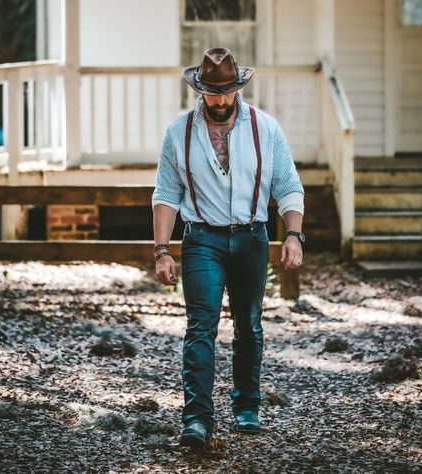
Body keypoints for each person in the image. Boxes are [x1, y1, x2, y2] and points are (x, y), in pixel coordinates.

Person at [152, 47, 305, 449]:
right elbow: (166, 194)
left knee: (249, 326)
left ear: (238, 87)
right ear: (199, 89)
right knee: (200, 327)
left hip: (252, 237)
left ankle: (247, 408)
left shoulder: (265, 128)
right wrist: (162, 249)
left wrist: (293, 234)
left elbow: (288, 185)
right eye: (212, 92)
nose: (219, 100)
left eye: (226, 91)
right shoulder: (178, 133)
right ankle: (197, 420)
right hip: (201, 237)